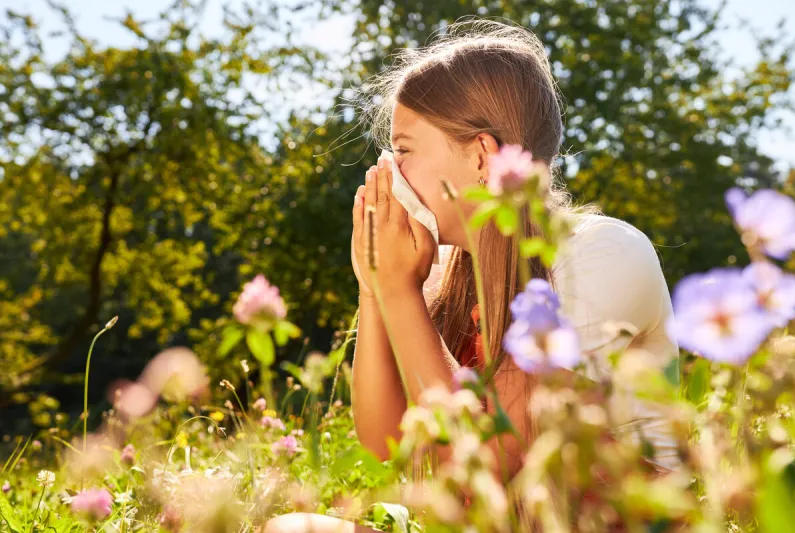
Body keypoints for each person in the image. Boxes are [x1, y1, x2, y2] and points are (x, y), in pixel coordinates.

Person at [263, 19, 679, 533]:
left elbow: (498, 458)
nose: (390, 172)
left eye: (406, 150)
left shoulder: (601, 252)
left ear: (481, 157)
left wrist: (398, 291)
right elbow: (389, 446)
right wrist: (376, 287)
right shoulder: (447, 272)